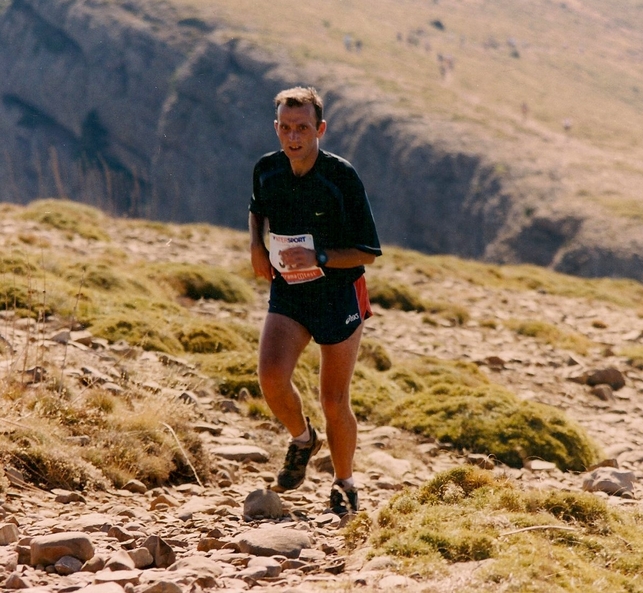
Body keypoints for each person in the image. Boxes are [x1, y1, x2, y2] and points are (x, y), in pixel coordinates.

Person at [248, 86, 382, 515]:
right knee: (271, 376)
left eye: (302, 128)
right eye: (285, 128)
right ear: (276, 129)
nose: (293, 137)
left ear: (319, 128)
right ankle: (303, 440)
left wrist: (319, 256)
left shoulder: (341, 176)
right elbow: (258, 209)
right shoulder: (267, 169)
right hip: (290, 291)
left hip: (339, 294)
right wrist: (254, 243)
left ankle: (345, 483)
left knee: (333, 400)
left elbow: (368, 252)